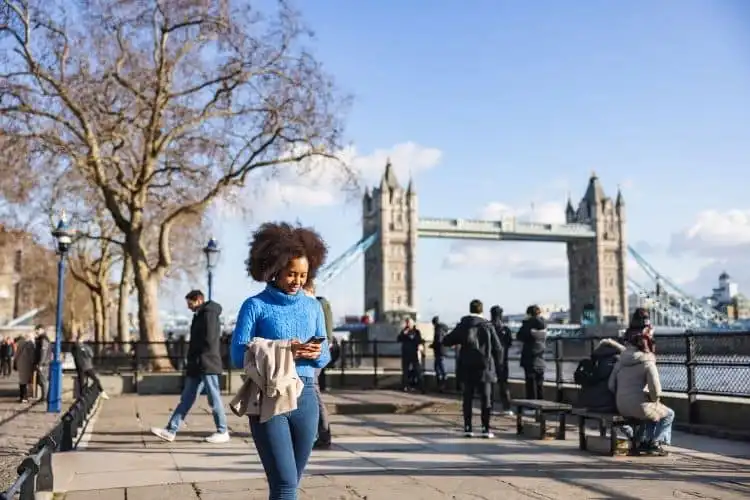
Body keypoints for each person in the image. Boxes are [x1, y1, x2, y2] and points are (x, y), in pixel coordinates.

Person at [231, 222, 331, 500]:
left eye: (303, 275)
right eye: (291, 274)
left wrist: (315, 353)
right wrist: (288, 350)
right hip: (269, 398)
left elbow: (326, 354)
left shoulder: (314, 306)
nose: (298, 281)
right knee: (286, 485)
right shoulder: (255, 306)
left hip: (307, 398)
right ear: (275, 270)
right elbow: (238, 355)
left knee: (287, 485)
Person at [151, 289, 229, 444]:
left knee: (214, 398)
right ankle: (171, 430)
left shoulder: (209, 314)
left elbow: (209, 340)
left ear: (198, 300)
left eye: (190, 303)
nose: (189, 307)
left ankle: (223, 431)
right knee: (186, 399)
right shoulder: (200, 315)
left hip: (207, 364)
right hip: (198, 365)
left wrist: (200, 358)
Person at [609, 309, 672, 456]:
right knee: (667, 413)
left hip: (621, 406)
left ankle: (642, 441)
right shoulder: (648, 362)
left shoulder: (621, 360)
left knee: (648, 411)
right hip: (639, 406)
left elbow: (611, 385)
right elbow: (656, 391)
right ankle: (654, 443)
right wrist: (655, 400)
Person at [443, 299, 503, 438]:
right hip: (485, 367)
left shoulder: (464, 325)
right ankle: (486, 429)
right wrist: (498, 366)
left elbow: (447, 340)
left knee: (468, 398)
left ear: (470, 309)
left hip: (467, 366)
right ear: (482, 310)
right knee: (486, 399)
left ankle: (468, 428)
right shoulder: (488, 326)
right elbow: (498, 348)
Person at [302, 280, 334, 450]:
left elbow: (325, 336)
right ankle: (317, 432)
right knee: (311, 391)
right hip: (310, 354)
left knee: (313, 391)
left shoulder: (319, 305)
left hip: (316, 355)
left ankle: (323, 434)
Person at [517, 305, 547, 401]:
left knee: (530, 384)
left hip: (529, 357)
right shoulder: (544, 324)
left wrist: (525, 322)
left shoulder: (528, 324)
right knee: (539, 384)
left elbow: (519, 336)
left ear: (529, 314)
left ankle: (531, 407)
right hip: (541, 357)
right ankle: (541, 404)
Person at [489, 306, 513, 415]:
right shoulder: (506, 329)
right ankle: (506, 408)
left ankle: (489, 407)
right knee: (503, 384)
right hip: (503, 360)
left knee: (489, 384)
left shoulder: (488, 327)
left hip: (490, 360)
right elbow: (510, 343)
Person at [72, 333, 110, 400]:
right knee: (82, 382)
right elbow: (77, 354)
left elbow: (90, 354)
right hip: (82, 366)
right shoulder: (76, 347)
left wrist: (84, 350)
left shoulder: (85, 346)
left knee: (94, 380)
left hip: (87, 366)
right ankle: (83, 397)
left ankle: (101, 391)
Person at [397, 317, 424, 392]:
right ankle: (405, 386)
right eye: (407, 322)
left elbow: (419, 340)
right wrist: (403, 334)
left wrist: (420, 345)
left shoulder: (416, 331)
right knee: (405, 371)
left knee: (417, 370)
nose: (408, 324)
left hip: (414, 353)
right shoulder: (404, 331)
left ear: (413, 323)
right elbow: (398, 339)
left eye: (409, 323)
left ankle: (421, 386)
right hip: (406, 353)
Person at [428, 316, 449, 390]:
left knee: (438, 368)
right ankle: (442, 383)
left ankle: (441, 384)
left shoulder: (438, 329)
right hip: (443, 350)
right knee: (440, 367)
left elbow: (438, 340)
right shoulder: (443, 328)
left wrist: (432, 345)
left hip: (439, 351)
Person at [14, 333, 36, 403]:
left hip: (23, 364)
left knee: (23, 381)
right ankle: (24, 397)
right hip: (25, 364)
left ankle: (23, 397)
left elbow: (17, 355)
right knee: (24, 382)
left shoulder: (24, 344)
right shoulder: (29, 344)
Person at [33, 325, 51, 400]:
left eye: (37, 330)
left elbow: (43, 352)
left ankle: (44, 398)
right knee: (41, 381)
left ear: (42, 329)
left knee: (43, 381)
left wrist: (40, 364)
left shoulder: (43, 339)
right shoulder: (41, 339)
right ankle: (43, 397)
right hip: (42, 363)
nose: (36, 331)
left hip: (43, 364)